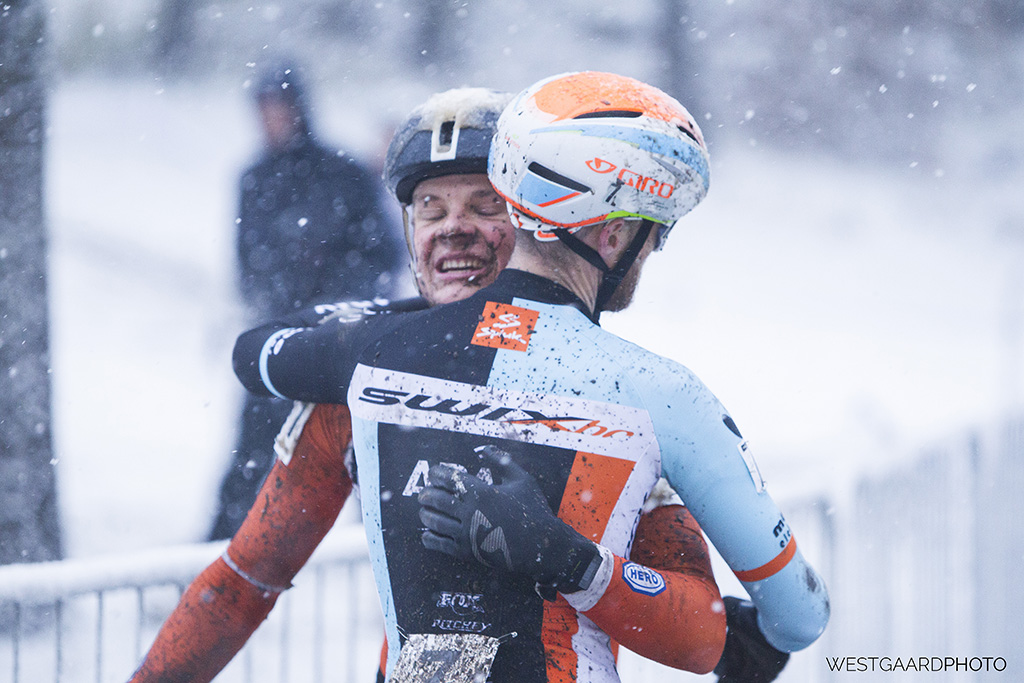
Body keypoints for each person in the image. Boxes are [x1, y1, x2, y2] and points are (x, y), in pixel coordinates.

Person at [129, 84, 796, 682]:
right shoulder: (362, 382)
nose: (455, 228)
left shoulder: (614, 398)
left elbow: (703, 633)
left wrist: (570, 560)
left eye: (484, 205)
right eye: (430, 208)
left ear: (536, 218)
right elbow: (244, 581)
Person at [209, 58, 406, 540]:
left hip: (341, 344)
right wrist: (278, 301)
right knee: (251, 458)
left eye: (278, 106)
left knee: (368, 458)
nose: (270, 118)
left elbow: (382, 254)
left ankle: (384, 551)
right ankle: (216, 554)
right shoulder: (253, 179)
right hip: (281, 340)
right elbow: (246, 260)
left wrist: (339, 308)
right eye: (263, 108)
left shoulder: (344, 174)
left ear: (298, 107)